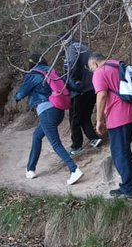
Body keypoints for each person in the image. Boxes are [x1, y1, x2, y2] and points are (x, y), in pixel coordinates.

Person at [13, 54, 84, 186]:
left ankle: (74, 169)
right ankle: (30, 169)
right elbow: (70, 84)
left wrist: (16, 97)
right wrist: (80, 86)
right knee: (37, 136)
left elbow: (21, 93)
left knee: (56, 143)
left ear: (31, 64)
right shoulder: (52, 71)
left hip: (46, 112)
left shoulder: (33, 74)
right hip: (59, 110)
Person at [88, 51, 132, 198]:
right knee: (123, 148)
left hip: (120, 117)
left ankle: (127, 189)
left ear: (94, 64)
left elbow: (102, 95)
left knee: (119, 153)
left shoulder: (99, 72)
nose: (92, 71)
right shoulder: (117, 64)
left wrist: (99, 120)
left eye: (91, 68)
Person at [63, 37, 103, 154]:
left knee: (74, 118)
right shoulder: (82, 47)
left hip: (81, 90)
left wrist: (75, 80)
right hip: (91, 87)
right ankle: (94, 139)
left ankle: (76, 146)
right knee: (84, 116)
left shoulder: (72, 49)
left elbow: (72, 64)